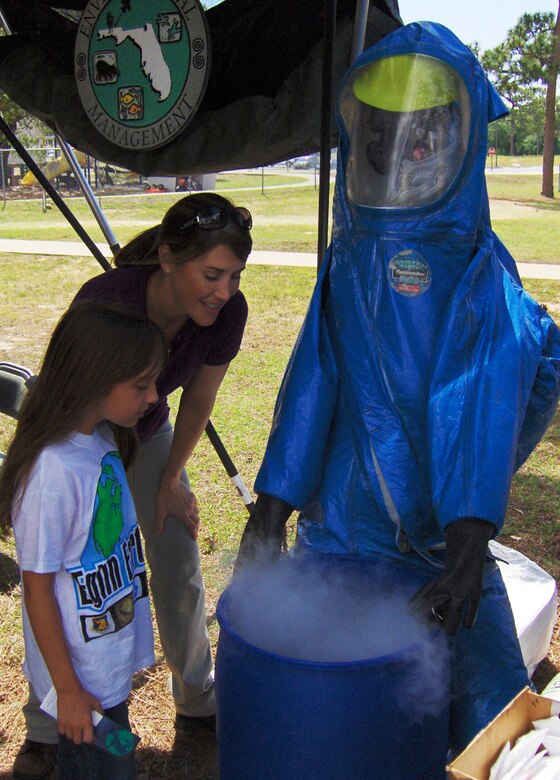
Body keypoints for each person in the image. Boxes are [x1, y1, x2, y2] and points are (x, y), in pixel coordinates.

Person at [237, 22, 560, 762]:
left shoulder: (479, 271)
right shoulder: (348, 256)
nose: (393, 151)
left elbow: (482, 399)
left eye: (417, 133)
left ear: (459, 135)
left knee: (486, 713)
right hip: (343, 528)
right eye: (377, 133)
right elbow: (314, 375)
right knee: (326, 699)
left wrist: (468, 543)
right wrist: (272, 506)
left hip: (439, 541)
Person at [12, 192, 253, 779]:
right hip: (83, 426)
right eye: (212, 274)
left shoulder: (228, 313)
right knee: (56, 570)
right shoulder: (109, 302)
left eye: (235, 276)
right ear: (168, 259)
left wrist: (169, 479)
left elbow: (197, 396)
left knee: (170, 558)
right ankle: (50, 720)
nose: (224, 292)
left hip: (143, 431)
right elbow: (70, 384)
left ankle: (195, 698)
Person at [0, 301, 168, 779]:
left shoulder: (101, 438)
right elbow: (36, 591)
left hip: (104, 662)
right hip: (81, 679)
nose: (154, 395)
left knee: (116, 759)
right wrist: (68, 689)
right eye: (141, 385)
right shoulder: (52, 471)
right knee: (103, 770)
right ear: (94, 379)